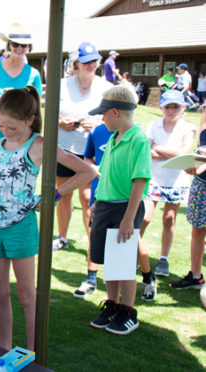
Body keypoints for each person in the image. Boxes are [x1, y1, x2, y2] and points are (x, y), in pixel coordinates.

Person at [0, 88, 95, 350]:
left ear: (30, 120)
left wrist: (55, 194)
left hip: (21, 229)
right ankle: (4, 348)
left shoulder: (39, 145)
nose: (6, 131)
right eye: (2, 125)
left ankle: (32, 352)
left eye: (12, 127)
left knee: (27, 296)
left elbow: (87, 171)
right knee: (0, 293)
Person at [88, 85, 151, 336]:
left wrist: (128, 219)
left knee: (123, 262)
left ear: (115, 112)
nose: (101, 119)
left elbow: (140, 180)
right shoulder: (113, 139)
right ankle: (112, 304)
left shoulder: (138, 139)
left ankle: (128, 310)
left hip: (125, 208)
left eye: (103, 114)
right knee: (108, 260)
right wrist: (96, 202)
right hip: (105, 206)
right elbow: (106, 175)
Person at [54, 42, 112, 257]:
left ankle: (92, 244)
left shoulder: (106, 87)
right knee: (63, 194)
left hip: (91, 149)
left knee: (88, 198)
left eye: (95, 60)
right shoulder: (61, 84)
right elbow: (49, 112)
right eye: (86, 61)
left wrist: (97, 125)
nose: (91, 64)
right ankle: (62, 237)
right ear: (76, 63)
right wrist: (61, 122)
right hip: (64, 148)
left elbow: (112, 118)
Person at [137, 90, 194, 301]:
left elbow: (185, 152)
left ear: (183, 108)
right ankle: (136, 253)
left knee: (169, 218)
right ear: (161, 107)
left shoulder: (188, 127)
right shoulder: (153, 125)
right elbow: (148, 150)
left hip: (176, 180)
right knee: (144, 217)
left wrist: (160, 149)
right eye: (167, 106)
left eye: (175, 107)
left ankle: (163, 257)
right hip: (154, 177)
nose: (171, 111)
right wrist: (170, 150)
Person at [73, 122, 114, 299]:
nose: (101, 117)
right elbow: (88, 157)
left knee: (120, 244)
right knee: (94, 236)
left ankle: (146, 278)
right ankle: (91, 279)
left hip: (122, 199)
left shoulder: (134, 136)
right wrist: (94, 168)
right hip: (99, 195)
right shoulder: (97, 131)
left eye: (104, 112)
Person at [0, 22, 42, 140]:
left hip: (23, 137)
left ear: (29, 47)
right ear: (9, 45)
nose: (20, 48)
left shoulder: (34, 74)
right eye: (16, 44)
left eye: (24, 45)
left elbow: (37, 110)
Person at [170, 107, 206, 291]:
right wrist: (194, 168)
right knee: (198, 229)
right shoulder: (205, 130)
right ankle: (196, 275)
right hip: (202, 185)